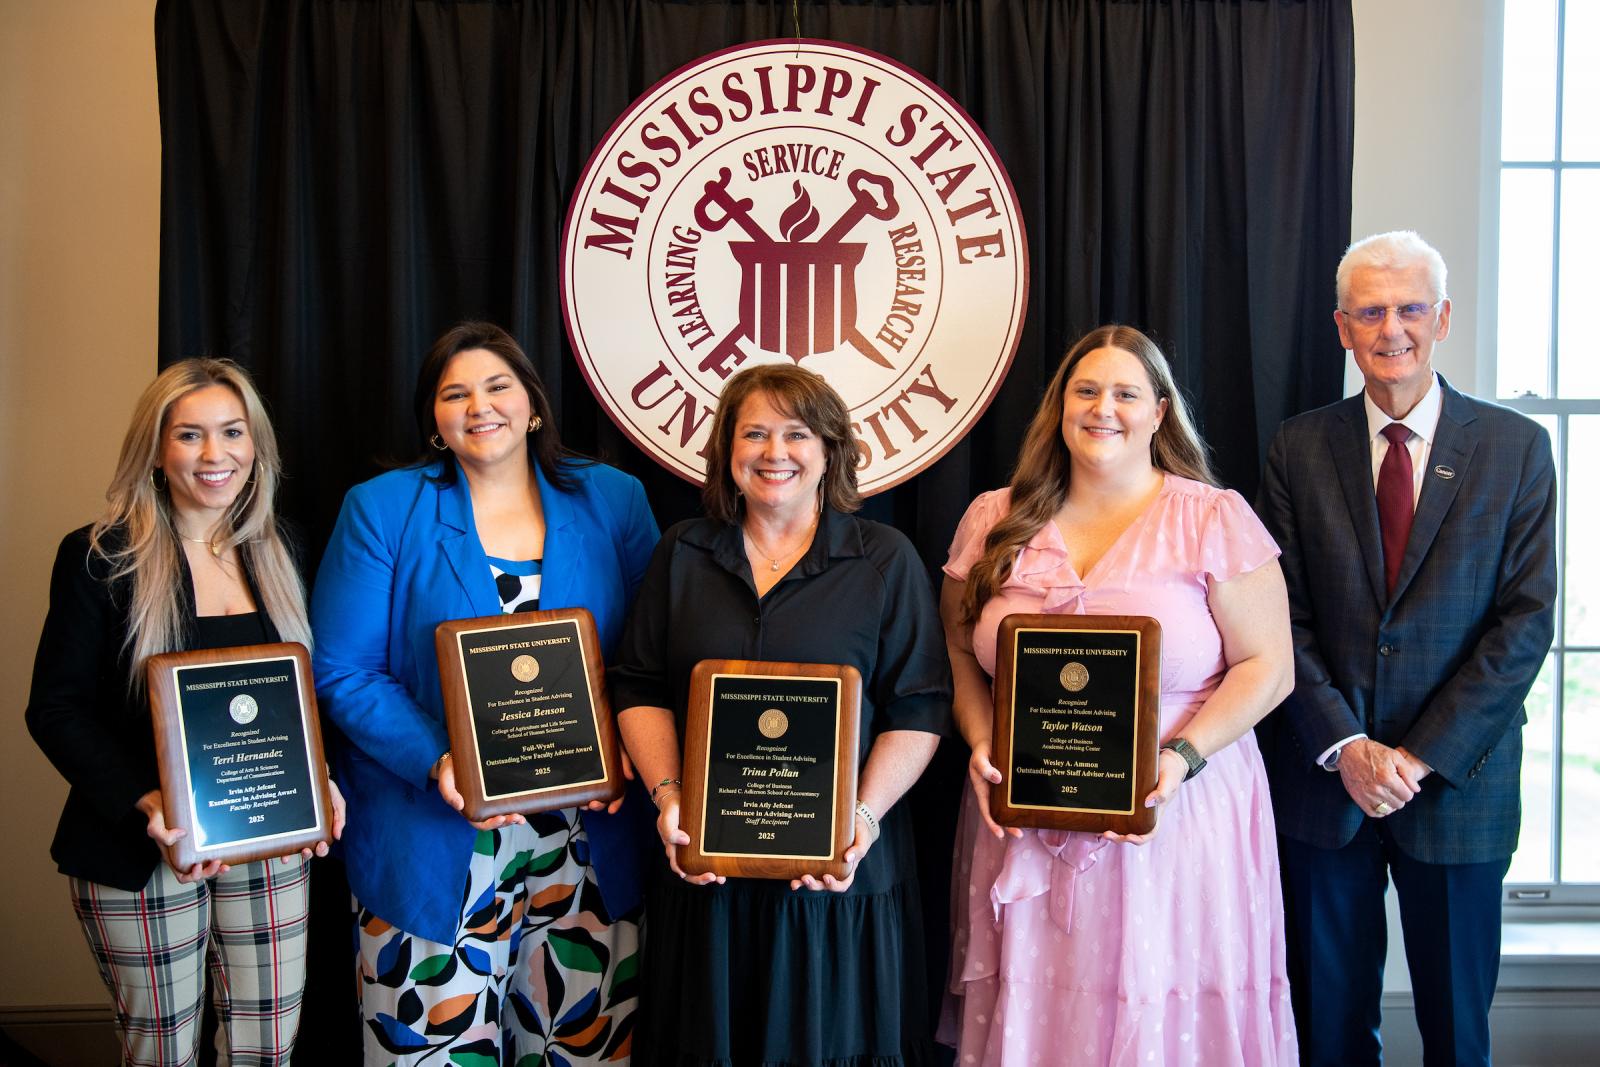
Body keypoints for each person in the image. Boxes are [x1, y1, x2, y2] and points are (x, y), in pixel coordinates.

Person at [940, 325, 1297, 1065]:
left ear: (1159, 412)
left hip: (1177, 810)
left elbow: (1269, 666)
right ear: (1060, 406)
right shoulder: (993, 517)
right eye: (1087, 390)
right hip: (1022, 812)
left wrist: (1181, 758)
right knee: (1039, 1004)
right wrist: (979, 739)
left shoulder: (1213, 518)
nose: (1104, 408)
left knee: (1161, 1002)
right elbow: (959, 648)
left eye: (1126, 393)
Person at [311, 322, 659, 1064]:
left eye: (498, 386)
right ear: (433, 419)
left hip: (589, 843)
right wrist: (438, 757)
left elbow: (650, 655)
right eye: (455, 393)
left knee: (583, 1049)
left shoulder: (615, 499)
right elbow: (343, 669)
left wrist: (626, 737)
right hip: (433, 838)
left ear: (533, 403)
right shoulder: (382, 508)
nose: (480, 406)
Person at [1256, 231, 1557, 1066]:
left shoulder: (1516, 449)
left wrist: (1417, 758)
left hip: (1460, 789)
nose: (1392, 328)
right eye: (1371, 311)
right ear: (1342, 327)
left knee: (1458, 1038)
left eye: (1411, 308)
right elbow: (1280, 616)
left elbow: (1524, 623)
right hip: (1327, 786)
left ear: (1443, 318)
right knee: (1328, 1033)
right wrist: (1348, 747)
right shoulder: (1297, 447)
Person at [609, 363, 951, 1065]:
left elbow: (919, 706)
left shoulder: (883, 560)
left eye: (796, 434)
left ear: (829, 449)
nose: (775, 452)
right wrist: (670, 797)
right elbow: (639, 686)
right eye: (754, 433)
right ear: (727, 450)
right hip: (708, 884)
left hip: (838, 882)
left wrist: (860, 820)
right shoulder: (681, 552)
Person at [26, 358, 345, 1065]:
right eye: (189, 434)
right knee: (162, 1054)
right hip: (142, 846)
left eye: (232, 431)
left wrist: (320, 778)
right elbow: (55, 709)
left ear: (255, 445)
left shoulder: (281, 550)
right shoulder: (100, 556)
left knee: (267, 1048)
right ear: (155, 449)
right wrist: (147, 802)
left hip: (268, 842)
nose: (213, 454)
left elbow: (296, 698)